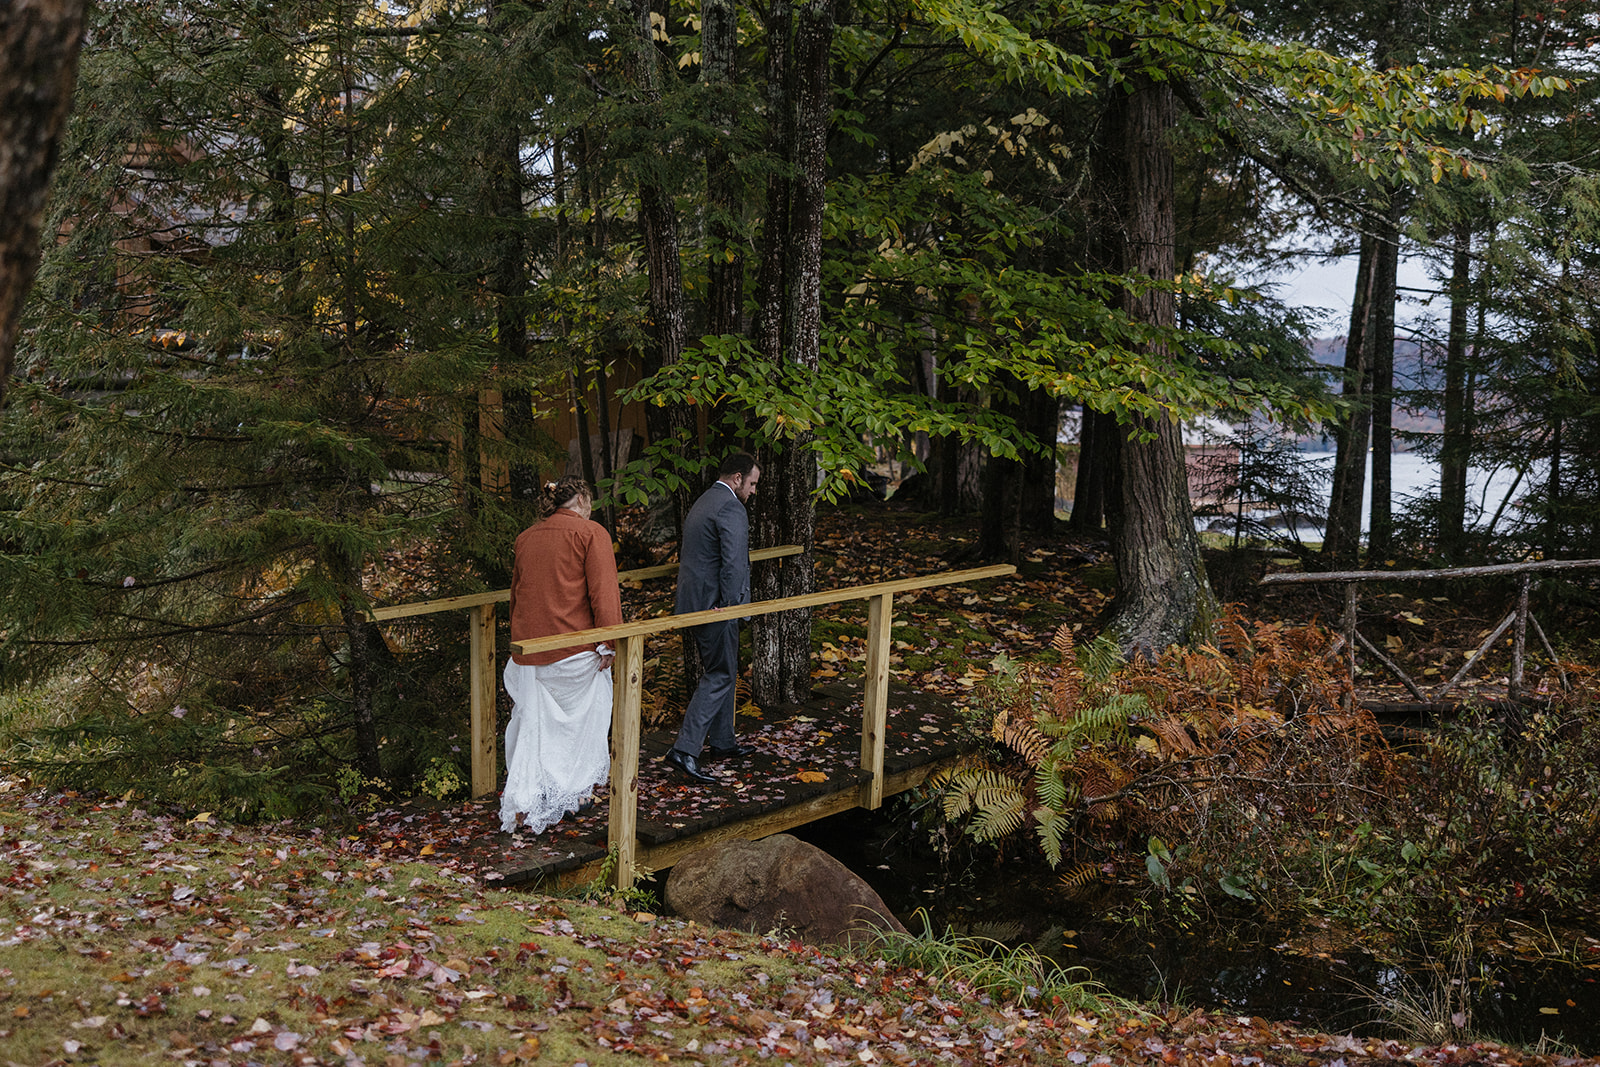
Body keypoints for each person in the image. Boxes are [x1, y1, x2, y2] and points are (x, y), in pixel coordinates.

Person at [500, 476, 623, 834]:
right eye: (591, 502)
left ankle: (538, 795)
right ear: (582, 500)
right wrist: (610, 642)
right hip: (574, 651)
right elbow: (604, 592)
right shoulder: (591, 534)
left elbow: (516, 596)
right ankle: (574, 795)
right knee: (584, 723)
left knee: (537, 729)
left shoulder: (526, 537)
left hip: (529, 654)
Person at [664, 452, 761, 783]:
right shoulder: (730, 506)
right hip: (715, 606)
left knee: (725, 669)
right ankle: (685, 749)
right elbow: (733, 562)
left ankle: (722, 742)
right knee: (720, 673)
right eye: (751, 483)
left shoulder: (706, 500)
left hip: (695, 602)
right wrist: (732, 604)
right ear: (737, 478)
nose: (753, 490)